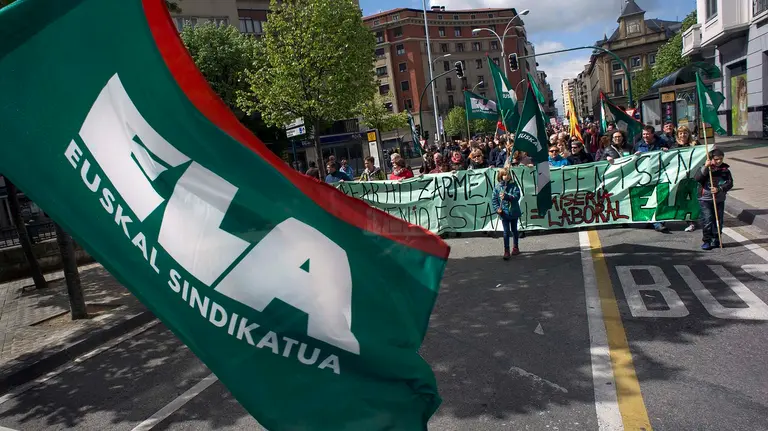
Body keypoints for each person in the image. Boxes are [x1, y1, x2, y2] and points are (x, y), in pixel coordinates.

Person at [695, 149, 733, 250]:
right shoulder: (706, 168)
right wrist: (706, 167)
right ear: (711, 159)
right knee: (707, 220)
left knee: (718, 221)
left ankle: (716, 239)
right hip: (705, 199)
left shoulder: (725, 170)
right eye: (716, 159)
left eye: (721, 159)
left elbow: (729, 183)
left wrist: (720, 188)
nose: (719, 161)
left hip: (719, 199)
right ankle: (707, 240)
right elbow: (698, 178)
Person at [491, 168, 521, 260]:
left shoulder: (514, 185)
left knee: (514, 230)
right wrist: (497, 209)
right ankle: (506, 250)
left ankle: (515, 247)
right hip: (504, 213)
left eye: (508, 174)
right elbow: (494, 200)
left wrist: (507, 197)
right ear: (500, 176)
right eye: (504, 175)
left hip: (514, 211)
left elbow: (517, 196)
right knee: (506, 232)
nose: (506, 176)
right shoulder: (497, 187)